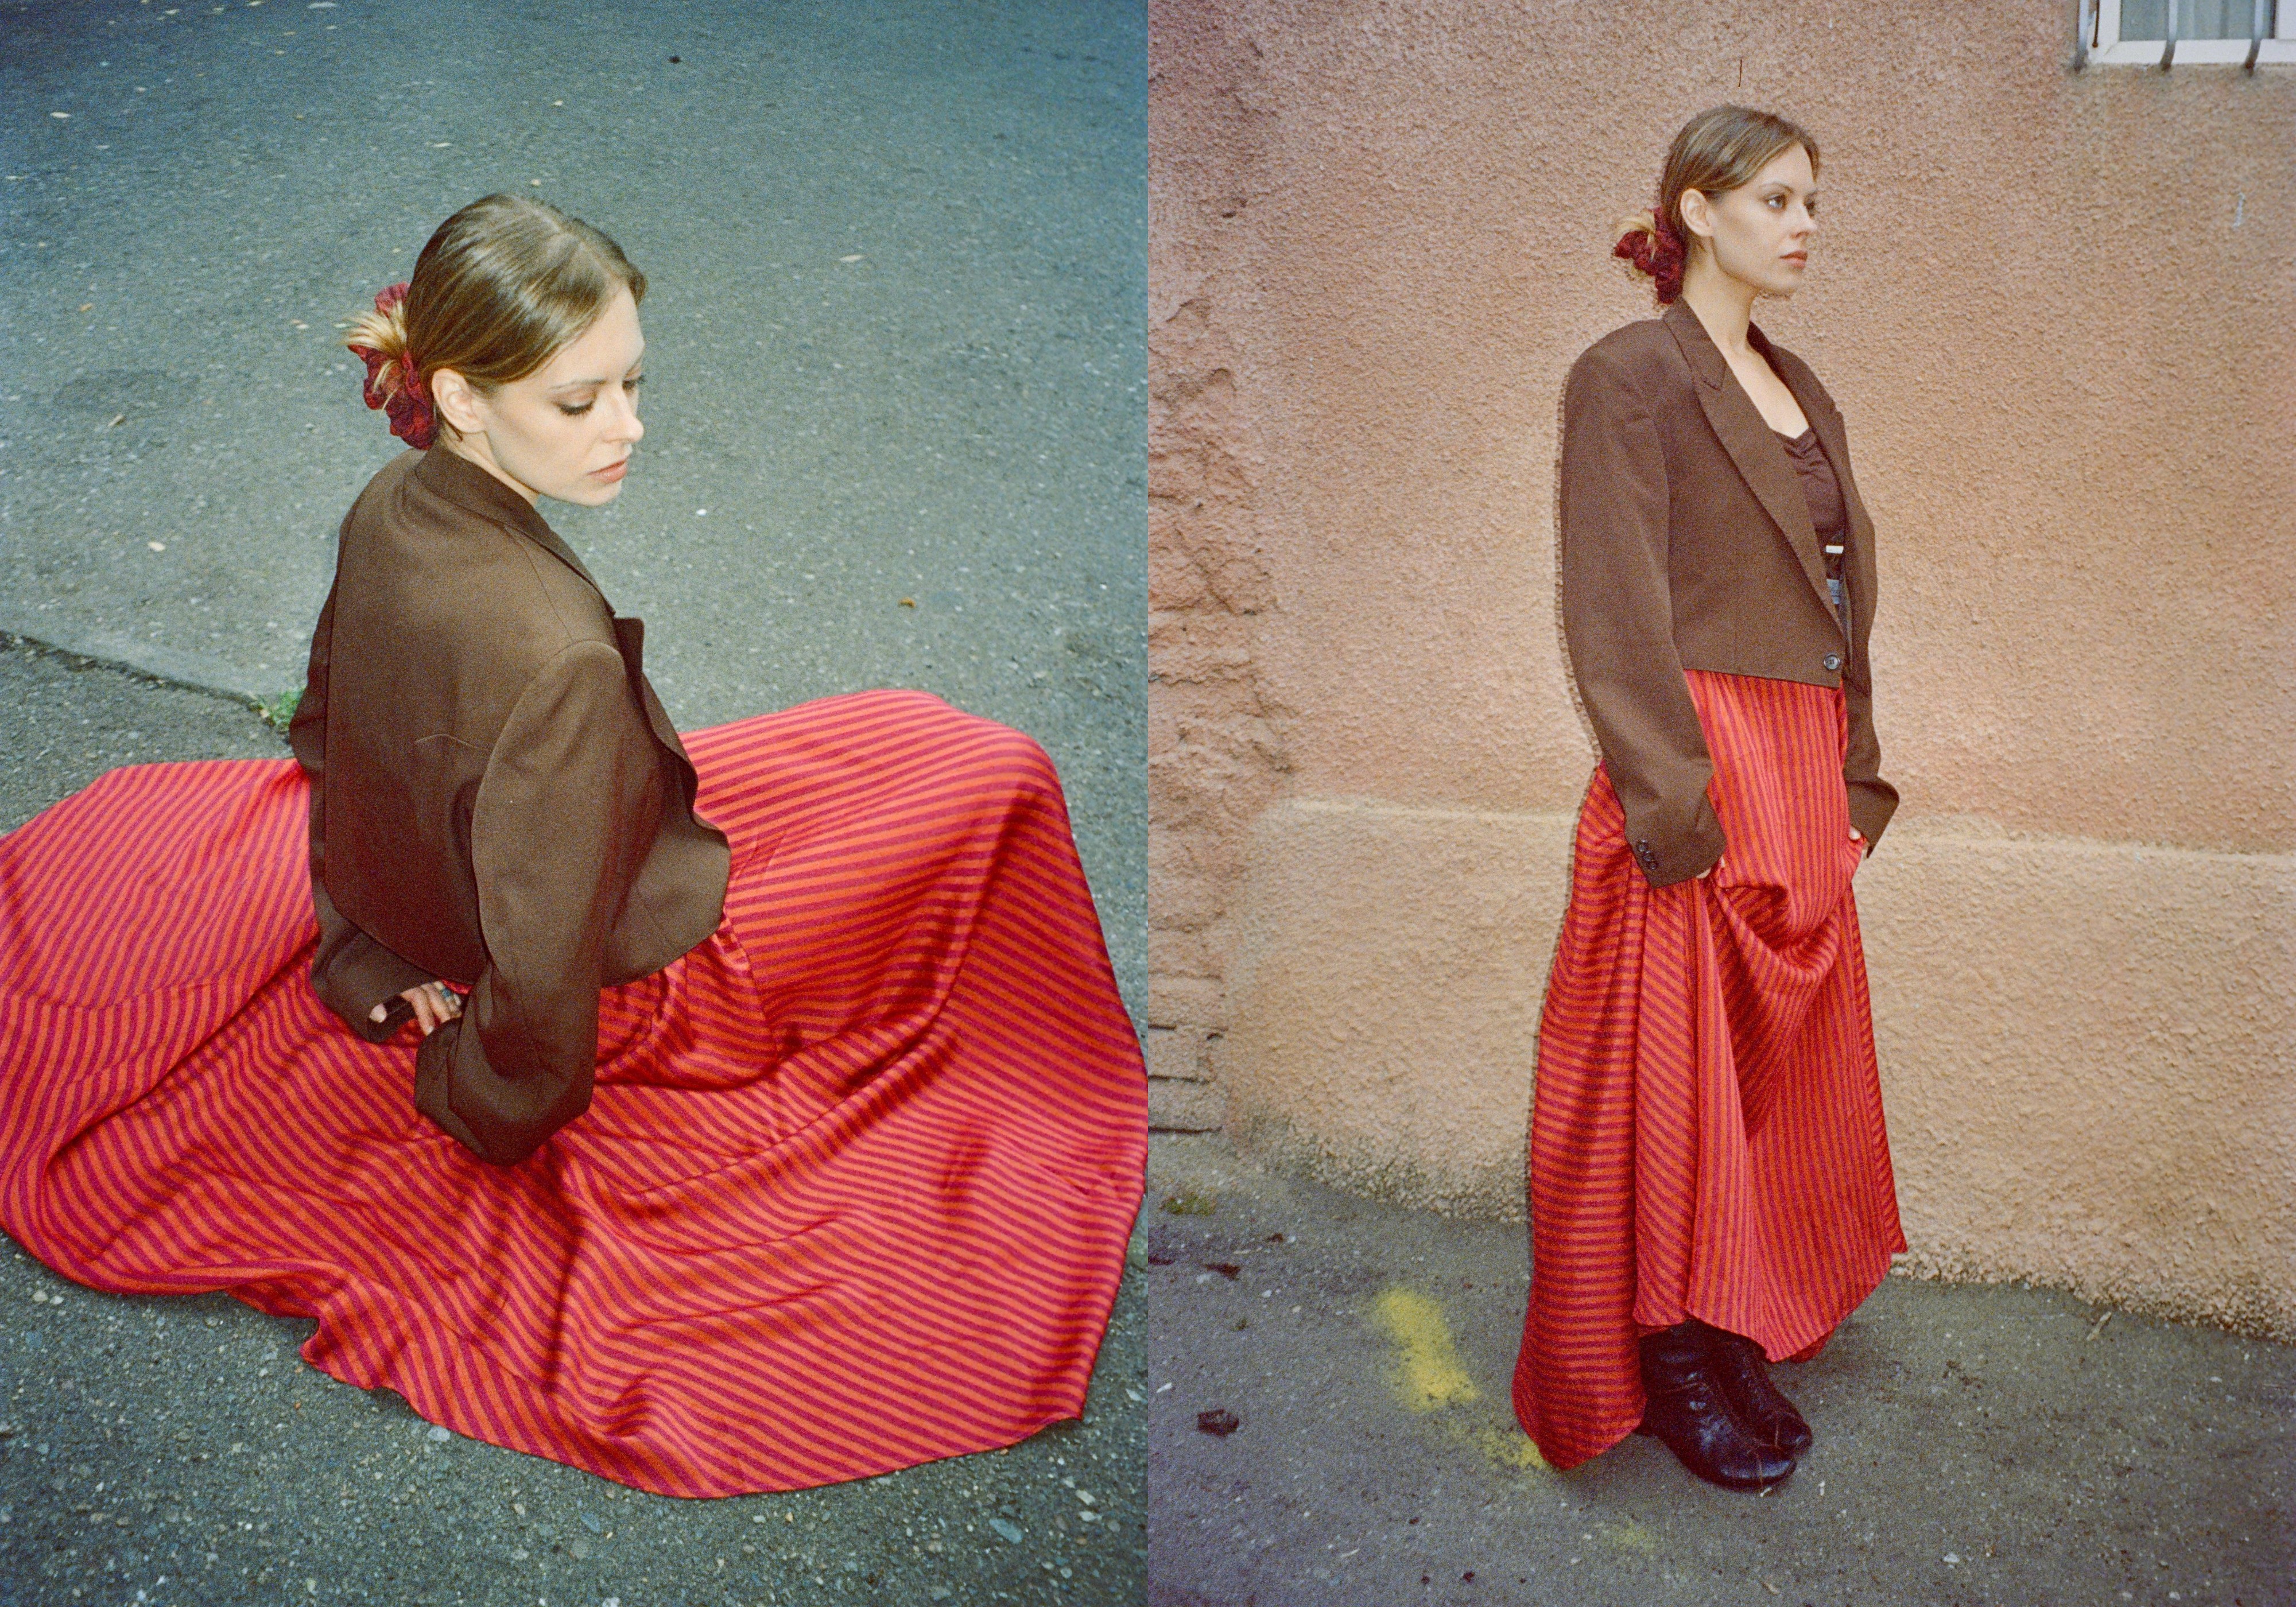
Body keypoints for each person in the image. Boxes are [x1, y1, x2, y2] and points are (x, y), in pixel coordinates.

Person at [0, 193, 1147, 1497]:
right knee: (993, 780)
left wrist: (368, 941)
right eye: (581, 399)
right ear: (462, 393)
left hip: (563, 830)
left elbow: (334, 738)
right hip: (653, 936)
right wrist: (478, 1097)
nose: (629, 428)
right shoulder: (556, 654)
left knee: (914, 738)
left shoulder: (391, 504)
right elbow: (546, 967)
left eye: (633, 383)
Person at [1508, 107, 1906, 1490]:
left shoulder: (1798, 383)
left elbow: (1838, 604)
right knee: (1671, 1079)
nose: (1802, 224)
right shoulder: (1627, 376)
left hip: (1799, 765)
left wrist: (1852, 778)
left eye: (1814, 202)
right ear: (1696, 209)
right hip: (1697, 757)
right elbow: (1611, 605)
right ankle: (1668, 1355)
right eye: (1777, 199)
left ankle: (1728, 1320)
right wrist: (1672, 805)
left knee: (1767, 1075)